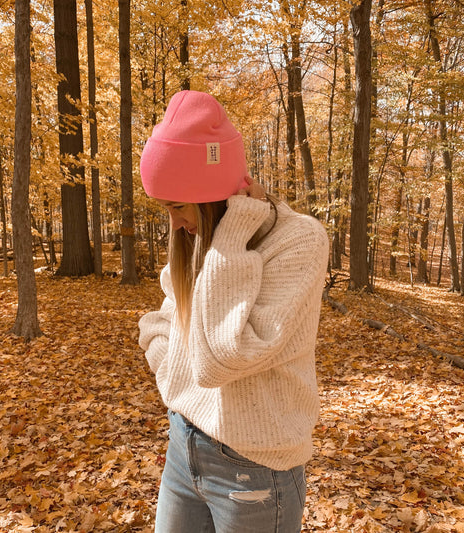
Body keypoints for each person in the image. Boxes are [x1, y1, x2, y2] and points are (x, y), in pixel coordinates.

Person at [138, 90, 329, 533]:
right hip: (183, 447)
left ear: (211, 196)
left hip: (256, 467)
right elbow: (161, 319)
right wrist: (170, 371)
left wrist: (230, 238)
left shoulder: (298, 241)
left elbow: (219, 361)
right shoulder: (195, 237)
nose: (175, 224)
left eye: (178, 207)